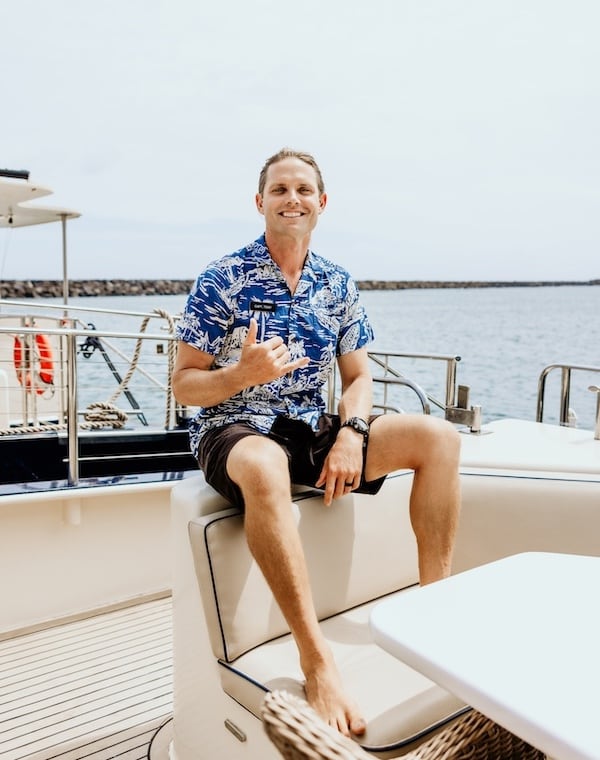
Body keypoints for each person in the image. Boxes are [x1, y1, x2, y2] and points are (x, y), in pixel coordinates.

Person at [172, 148, 461, 737]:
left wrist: (352, 433)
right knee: (264, 466)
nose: (292, 199)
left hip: (309, 426)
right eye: (279, 190)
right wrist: (239, 376)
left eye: (303, 189)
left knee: (438, 437)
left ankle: (436, 614)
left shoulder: (337, 282)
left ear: (321, 203)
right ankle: (316, 657)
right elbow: (184, 384)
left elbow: (358, 378)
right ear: (260, 203)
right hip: (234, 427)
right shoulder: (221, 278)